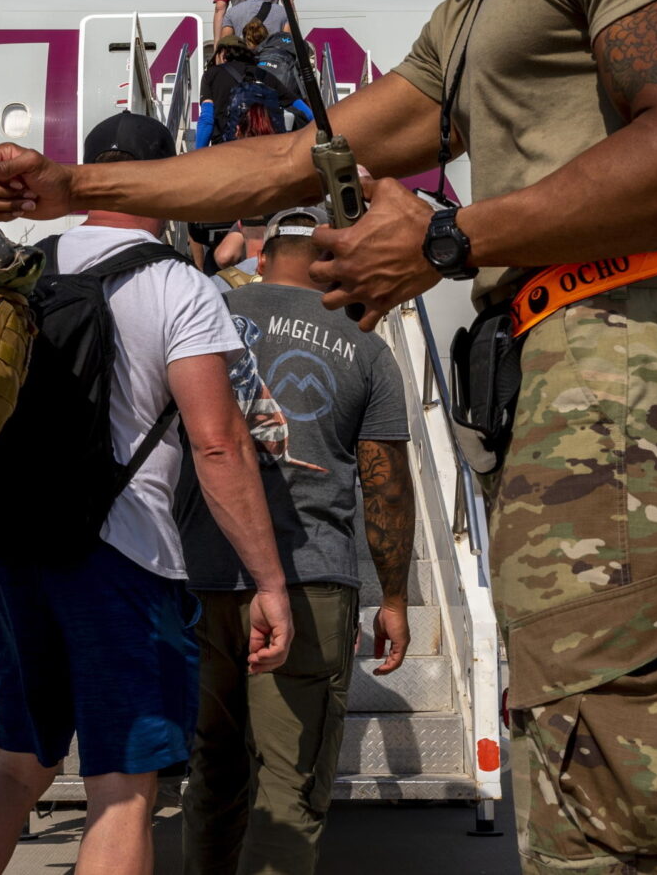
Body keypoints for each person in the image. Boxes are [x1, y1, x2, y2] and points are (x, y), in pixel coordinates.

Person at [0, 0, 657, 875]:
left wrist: (451, 240)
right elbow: (301, 156)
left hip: (631, 372)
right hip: (563, 381)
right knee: (583, 780)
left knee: (638, 802)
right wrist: (82, 190)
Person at [0, 113, 294, 875]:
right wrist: (267, 579)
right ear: (164, 180)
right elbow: (219, 442)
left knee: (15, 775)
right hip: (120, 560)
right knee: (122, 794)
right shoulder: (178, 286)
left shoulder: (21, 267)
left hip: (14, 553)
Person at [178, 207, 416, 875]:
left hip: (202, 578)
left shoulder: (202, 320)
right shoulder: (365, 344)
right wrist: (392, 596)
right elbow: (387, 486)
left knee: (215, 774)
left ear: (265, 251)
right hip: (310, 584)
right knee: (289, 790)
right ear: (331, 255)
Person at [196, 34, 310, 150]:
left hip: (226, 149)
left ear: (222, 53)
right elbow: (300, 106)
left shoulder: (212, 74)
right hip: (264, 146)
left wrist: (198, 156)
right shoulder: (263, 73)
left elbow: (207, 119)